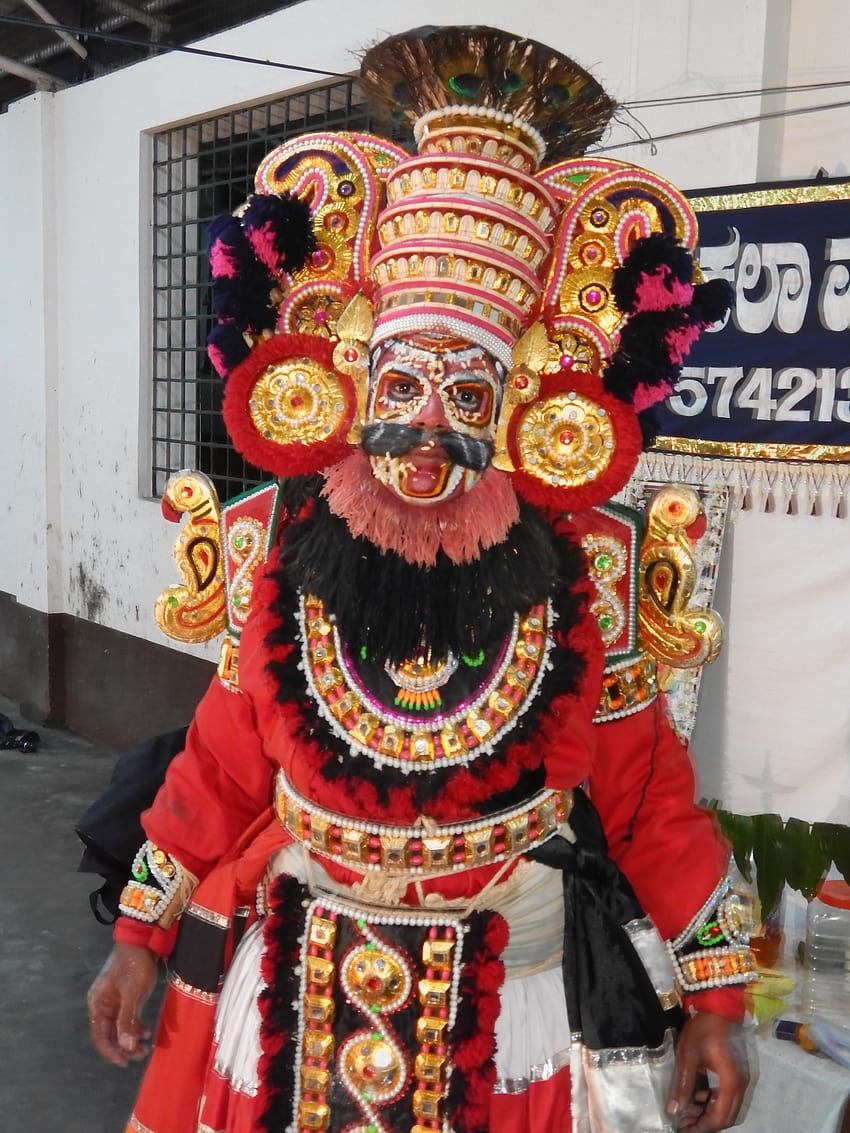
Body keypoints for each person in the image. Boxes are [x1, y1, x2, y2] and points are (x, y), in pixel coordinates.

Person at [88, 25, 754, 1133]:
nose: (427, 432)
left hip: (515, 1014)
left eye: (468, 394)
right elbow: (219, 762)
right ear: (351, 381)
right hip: (288, 991)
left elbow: (646, 806)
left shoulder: (586, 562)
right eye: (403, 380)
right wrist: (136, 937)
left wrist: (718, 1001)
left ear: (521, 406)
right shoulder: (286, 541)